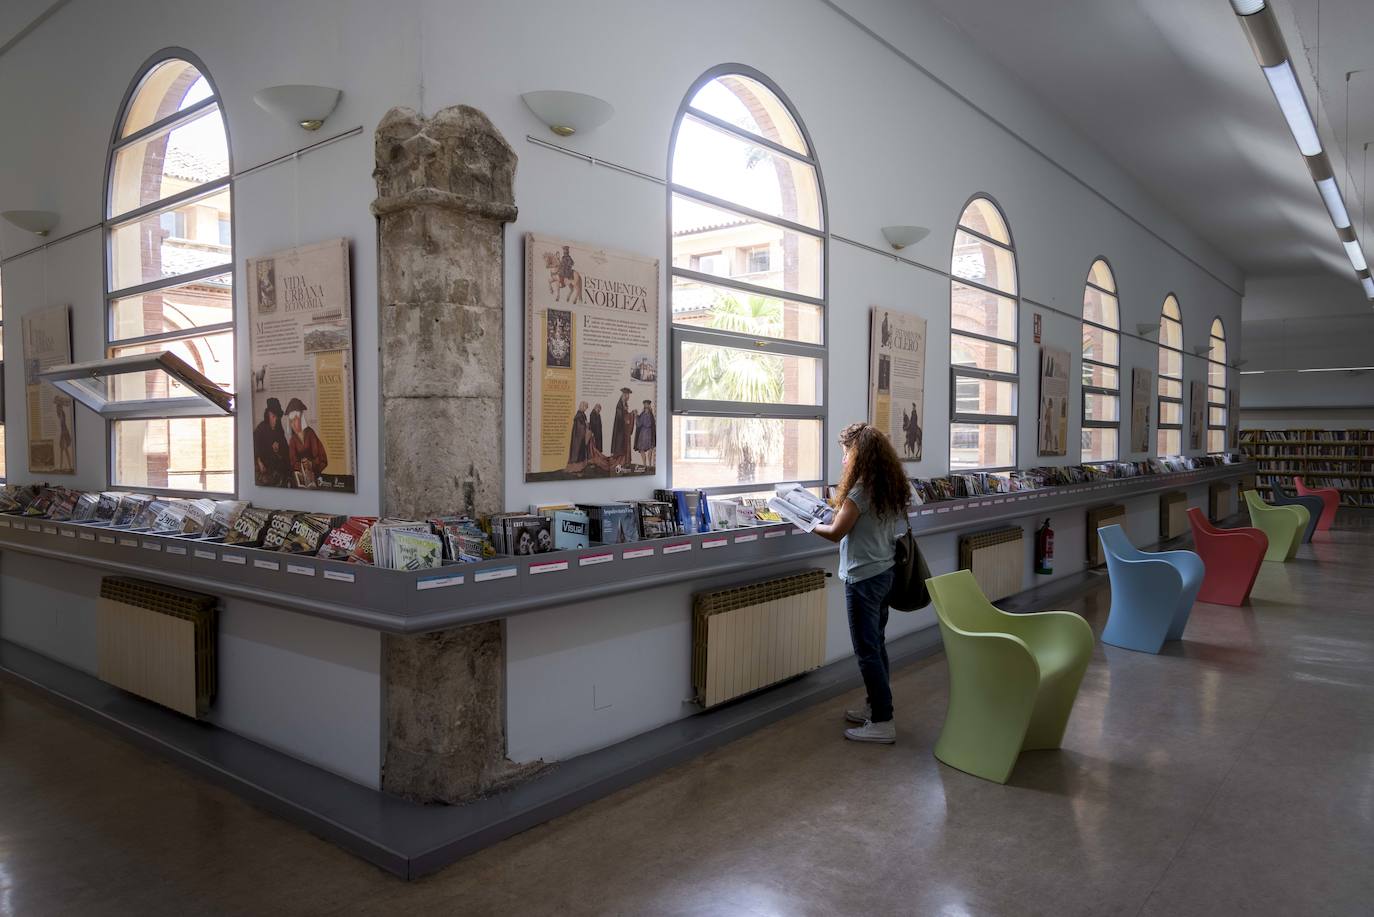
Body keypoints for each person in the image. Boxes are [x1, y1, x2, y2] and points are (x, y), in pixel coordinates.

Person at [811, 421, 911, 744]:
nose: (843, 461)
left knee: (867, 651)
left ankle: (883, 720)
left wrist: (807, 523)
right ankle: (876, 707)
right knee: (877, 645)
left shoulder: (859, 491)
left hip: (863, 579)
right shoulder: (887, 485)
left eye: (846, 454)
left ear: (860, 455)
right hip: (884, 573)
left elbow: (836, 532)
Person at [285, 397, 329, 486]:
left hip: (314, 476)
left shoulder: (310, 433)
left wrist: (311, 464)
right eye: (291, 421)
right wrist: (302, 466)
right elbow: (292, 461)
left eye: (295, 419)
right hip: (300, 479)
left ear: (301, 418)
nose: (293, 424)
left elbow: (321, 457)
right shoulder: (292, 440)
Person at [253, 397, 292, 487]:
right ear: (267, 415)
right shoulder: (261, 428)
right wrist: (259, 461)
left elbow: (285, 448)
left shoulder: (279, 428)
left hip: (276, 465)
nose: (275, 420)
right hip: (264, 464)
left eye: (277, 417)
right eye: (273, 416)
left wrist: (279, 448)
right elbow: (255, 446)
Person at [610, 387, 634, 464]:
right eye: (627, 396)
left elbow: (626, 414)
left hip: (624, 429)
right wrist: (626, 418)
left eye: (628, 396)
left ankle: (624, 461)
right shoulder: (619, 405)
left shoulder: (624, 403)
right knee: (620, 444)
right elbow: (620, 416)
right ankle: (620, 462)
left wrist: (631, 414)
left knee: (624, 444)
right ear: (624, 395)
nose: (628, 398)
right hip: (620, 429)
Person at [634, 399, 656, 467]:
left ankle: (649, 464)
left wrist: (637, 417)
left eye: (647, 405)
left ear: (649, 406)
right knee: (642, 450)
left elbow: (649, 424)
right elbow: (639, 424)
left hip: (648, 434)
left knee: (650, 449)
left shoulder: (650, 415)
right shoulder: (643, 414)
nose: (646, 407)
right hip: (643, 434)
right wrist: (636, 416)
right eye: (645, 405)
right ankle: (644, 464)